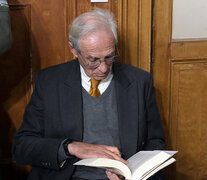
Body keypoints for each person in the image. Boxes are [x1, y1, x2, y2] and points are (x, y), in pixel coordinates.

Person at [13, 8, 165, 180]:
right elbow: (22, 147)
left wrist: (131, 173)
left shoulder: (139, 82)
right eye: (93, 60)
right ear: (74, 50)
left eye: (109, 57)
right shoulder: (50, 82)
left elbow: (155, 144)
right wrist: (71, 147)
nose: (104, 68)